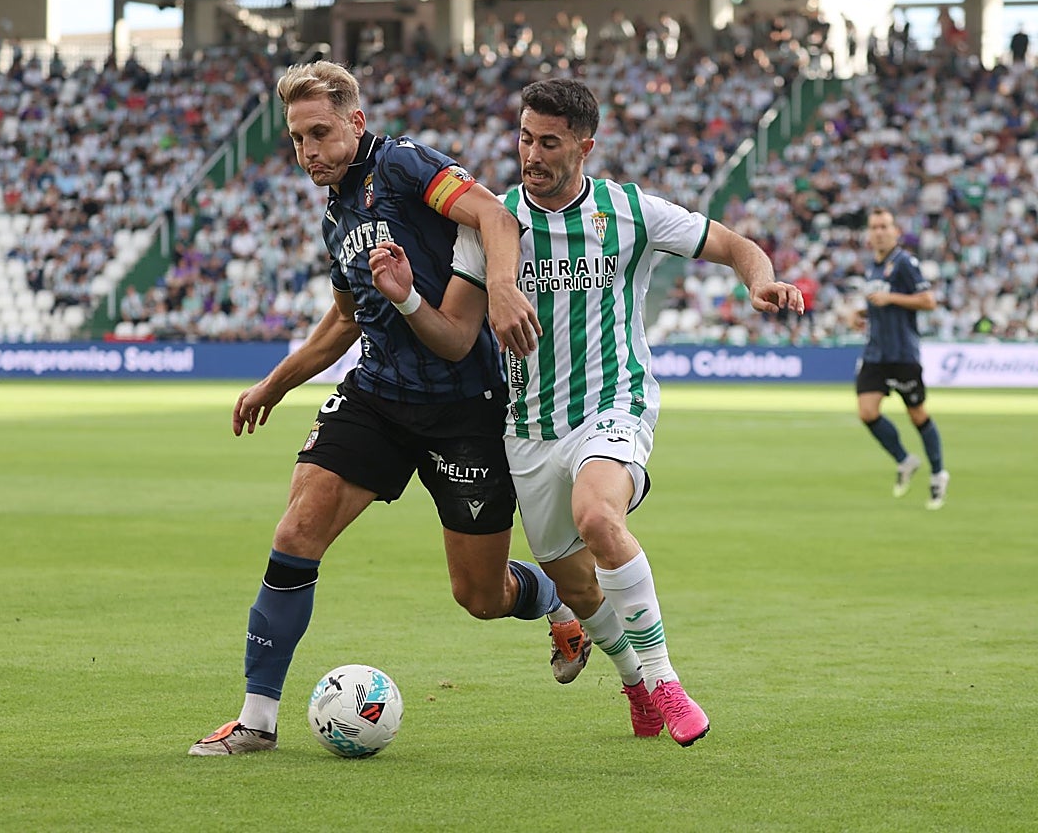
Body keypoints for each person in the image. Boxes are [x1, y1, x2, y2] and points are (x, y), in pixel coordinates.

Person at [369, 78, 804, 746]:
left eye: (549, 143)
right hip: (529, 431)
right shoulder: (492, 223)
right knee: (576, 586)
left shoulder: (628, 211)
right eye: (524, 138)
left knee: (598, 515)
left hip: (613, 403)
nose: (531, 155)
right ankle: (634, 683)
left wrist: (761, 281)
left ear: (584, 147)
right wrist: (405, 299)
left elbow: (735, 245)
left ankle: (665, 680)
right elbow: (455, 337)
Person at [188, 62, 589, 757]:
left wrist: (500, 286)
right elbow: (346, 319)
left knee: (481, 597)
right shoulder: (335, 214)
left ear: (356, 122)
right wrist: (275, 384)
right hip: (378, 394)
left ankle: (551, 600)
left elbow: (494, 215)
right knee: (297, 529)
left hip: (464, 408)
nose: (308, 151)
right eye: (297, 139)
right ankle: (256, 719)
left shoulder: (403, 166)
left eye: (320, 132)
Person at [856, 207, 948, 510]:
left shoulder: (905, 262)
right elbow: (879, 302)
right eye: (874, 227)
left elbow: (928, 301)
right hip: (875, 353)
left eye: (884, 226)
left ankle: (938, 474)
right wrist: (862, 313)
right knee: (867, 412)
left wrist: (891, 298)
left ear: (895, 231)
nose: (879, 232)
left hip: (902, 354)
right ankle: (904, 459)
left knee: (917, 415)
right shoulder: (872, 266)